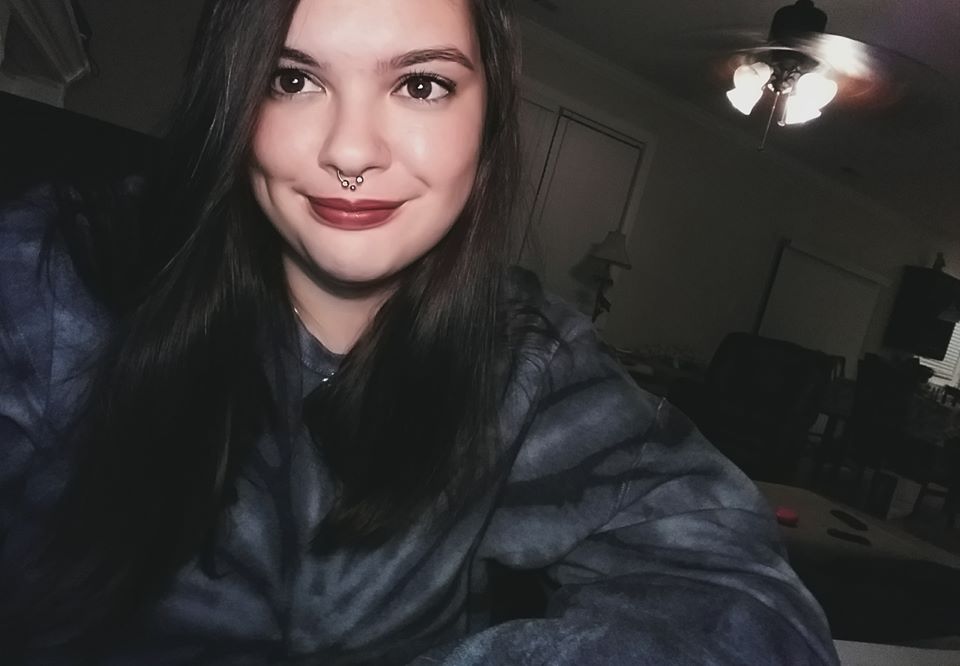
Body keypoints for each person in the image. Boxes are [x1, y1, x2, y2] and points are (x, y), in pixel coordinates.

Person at [0, 0, 840, 663]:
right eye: (293, 80)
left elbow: (747, 603)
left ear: (489, 119)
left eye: (421, 84)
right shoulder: (61, 276)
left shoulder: (530, 364)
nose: (351, 150)